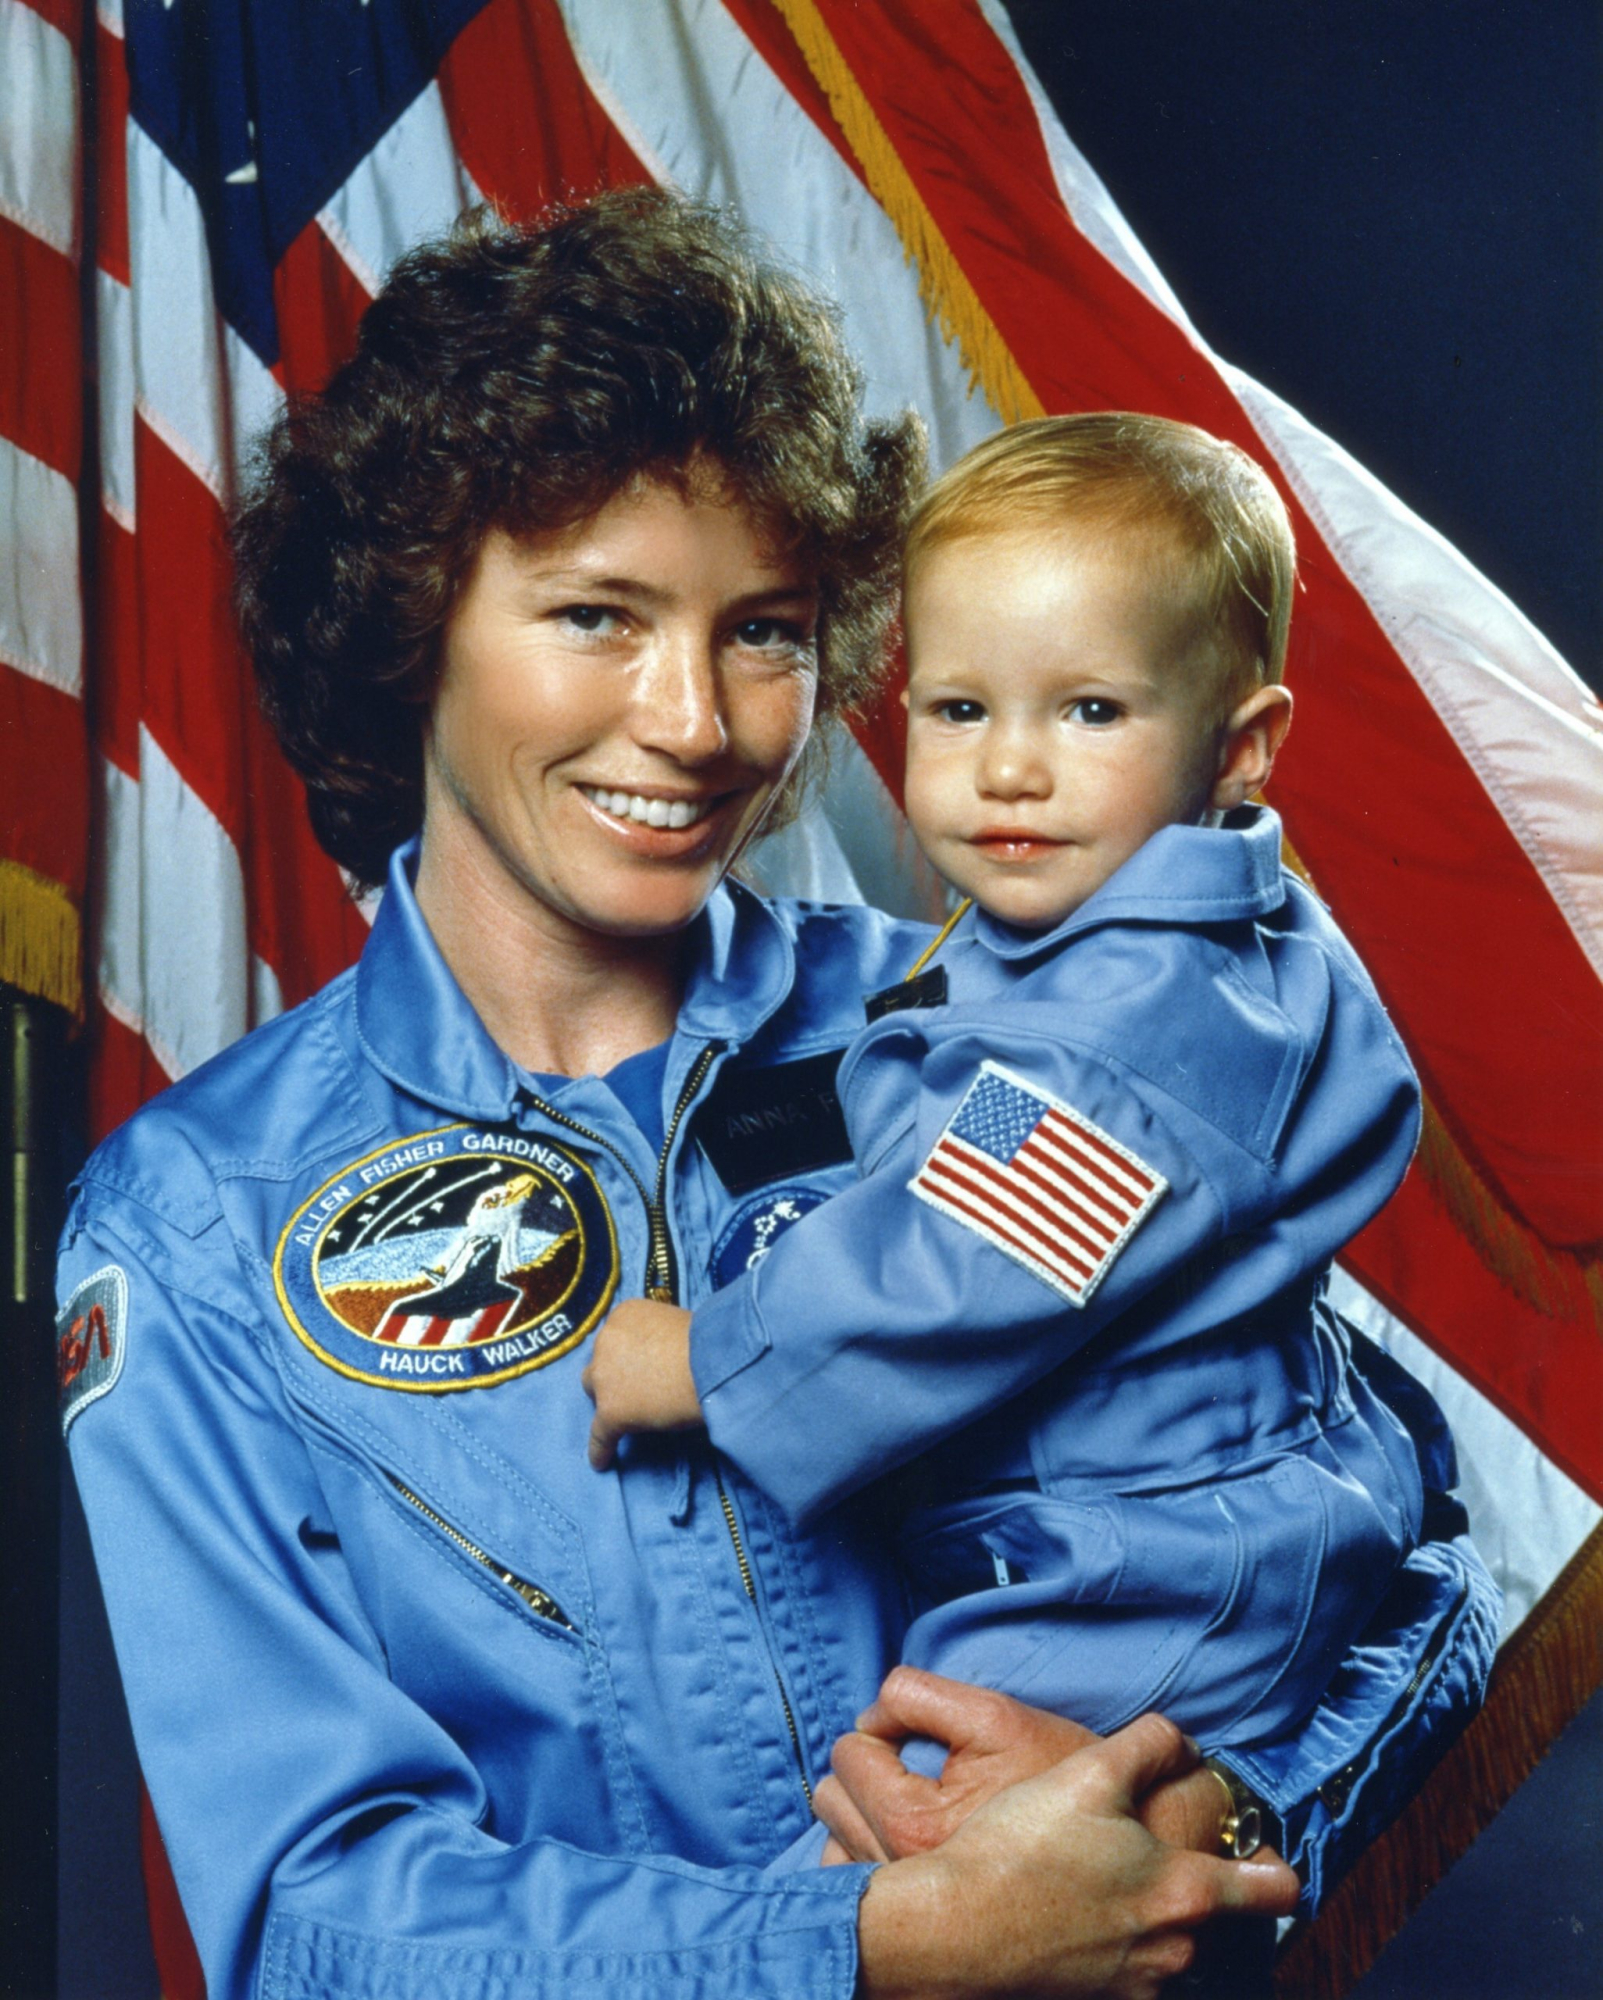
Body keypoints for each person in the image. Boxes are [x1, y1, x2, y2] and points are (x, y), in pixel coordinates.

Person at [53, 192, 1489, 2000]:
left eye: (766, 630)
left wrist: (1210, 1819)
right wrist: (874, 1950)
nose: (695, 723)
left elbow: (1408, 1556)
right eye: (598, 614)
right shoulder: (199, 1223)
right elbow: (313, 1912)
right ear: (409, 618)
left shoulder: (1013, 1038)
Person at [586, 413, 1497, 1861]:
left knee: (908, 1869)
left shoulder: (1127, 1027)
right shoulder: (1150, 953)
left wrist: (704, 1358)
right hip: (1174, 1513)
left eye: (1088, 712)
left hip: (1144, 1565)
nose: (1010, 768)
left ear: (1241, 746)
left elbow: (969, 1258)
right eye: (959, 711)